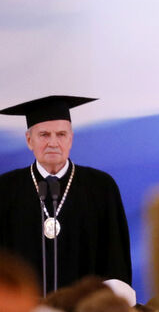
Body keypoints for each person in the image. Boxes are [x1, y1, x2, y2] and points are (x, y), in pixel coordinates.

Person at [0, 96, 132, 295]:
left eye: (61, 134)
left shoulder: (101, 187)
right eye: (44, 135)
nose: (53, 143)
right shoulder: (6, 188)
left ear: (71, 139)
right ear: (29, 140)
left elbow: (116, 260)